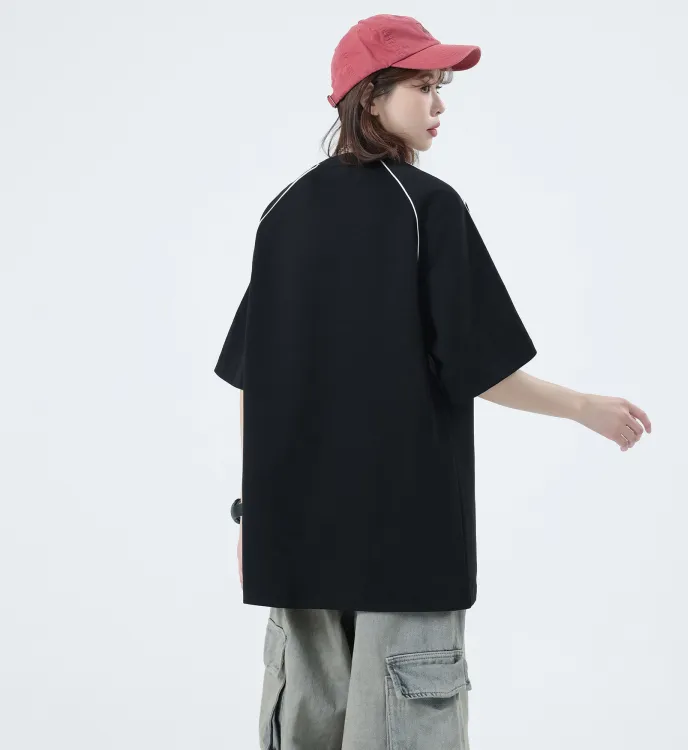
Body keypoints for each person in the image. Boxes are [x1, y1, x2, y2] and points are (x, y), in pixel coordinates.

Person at [214, 13, 652, 750]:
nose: (440, 104)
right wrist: (584, 407)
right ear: (369, 95)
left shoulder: (282, 214)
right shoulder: (427, 208)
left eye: (439, 86)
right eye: (422, 87)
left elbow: (253, 380)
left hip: (295, 546)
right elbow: (479, 368)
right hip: (406, 544)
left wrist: (253, 513)